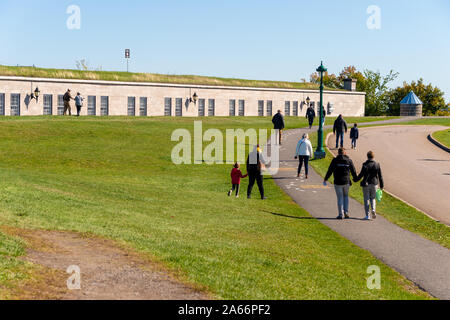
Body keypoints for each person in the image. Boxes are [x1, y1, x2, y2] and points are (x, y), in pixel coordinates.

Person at [324, 148, 358, 220]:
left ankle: (340, 214)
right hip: (346, 181)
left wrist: (326, 178)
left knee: (340, 197)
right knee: (346, 196)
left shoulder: (335, 160)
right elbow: (353, 171)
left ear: (338, 153)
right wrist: (355, 179)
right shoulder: (349, 161)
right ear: (344, 153)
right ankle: (346, 212)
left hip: (338, 181)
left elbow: (330, 170)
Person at [355, 151, 384, 220]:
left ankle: (367, 215)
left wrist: (355, 179)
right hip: (374, 183)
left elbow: (361, 174)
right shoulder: (377, 164)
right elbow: (380, 176)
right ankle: (373, 209)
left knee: (366, 199)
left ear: (367, 156)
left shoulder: (365, 164)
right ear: (373, 157)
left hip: (366, 184)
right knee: (373, 198)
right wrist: (382, 185)